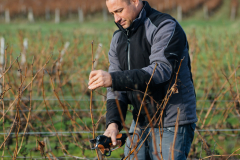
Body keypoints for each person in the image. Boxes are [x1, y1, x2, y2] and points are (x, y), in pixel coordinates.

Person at [88, 0, 198, 159]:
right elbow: (116, 88)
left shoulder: (165, 26)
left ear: (135, 1)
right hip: (140, 121)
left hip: (172, 120)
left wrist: (113, 78)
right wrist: (113, 124)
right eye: (112, 13)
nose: (116, 19)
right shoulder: (118, 38)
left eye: (119, 11)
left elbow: (161, 70)